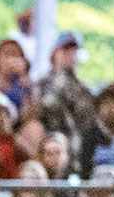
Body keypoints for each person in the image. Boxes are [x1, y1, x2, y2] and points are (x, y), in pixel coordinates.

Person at [37, 32, 98, 170]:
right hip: (48, 136)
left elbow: (86, 119)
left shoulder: (82, 89)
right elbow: (43, 108)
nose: (69, 55)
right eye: (64, 50)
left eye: (73, 51)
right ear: (54, 53)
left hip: (76, 141)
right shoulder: (41, 84)